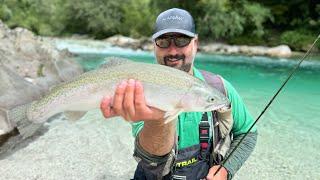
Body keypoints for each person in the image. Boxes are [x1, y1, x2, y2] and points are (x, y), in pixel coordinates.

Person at [100, 8, 257, 180]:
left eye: (182, 40)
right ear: (154, 45)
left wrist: (226, 169)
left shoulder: (219, 88)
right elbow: (152, 158)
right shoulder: (138, 87)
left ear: (195, 43)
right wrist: (158, 120)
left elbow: (248, 133)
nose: (173, 51)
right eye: (163, 41)